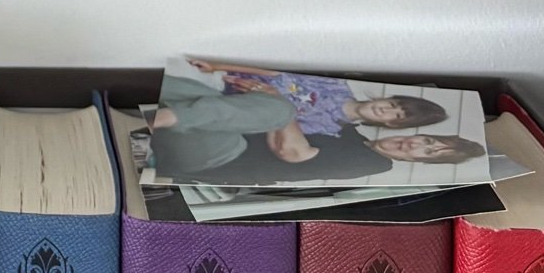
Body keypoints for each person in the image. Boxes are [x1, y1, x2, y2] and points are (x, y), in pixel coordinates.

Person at [149, 87, 483, 186]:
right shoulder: (349, 131)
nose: (415, 144)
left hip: (223, 158)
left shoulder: (373, 163)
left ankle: (162, 117)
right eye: (427, 140)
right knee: (194, 91)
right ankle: (156, 116)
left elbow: (291, 152)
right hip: (219, 131)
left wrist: (280, 111)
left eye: (426, 152)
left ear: (418, 162)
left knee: (280, 110)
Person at [200, 62, 450, 141]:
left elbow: (272, 127)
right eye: (393, 104)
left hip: (230, 108)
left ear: (392, 125)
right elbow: (273, 72)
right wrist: (216, 66)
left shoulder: (328, 128)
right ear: (388, 97)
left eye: (395, 115)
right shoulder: (336, 85)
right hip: (221, 79)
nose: (385, 109)